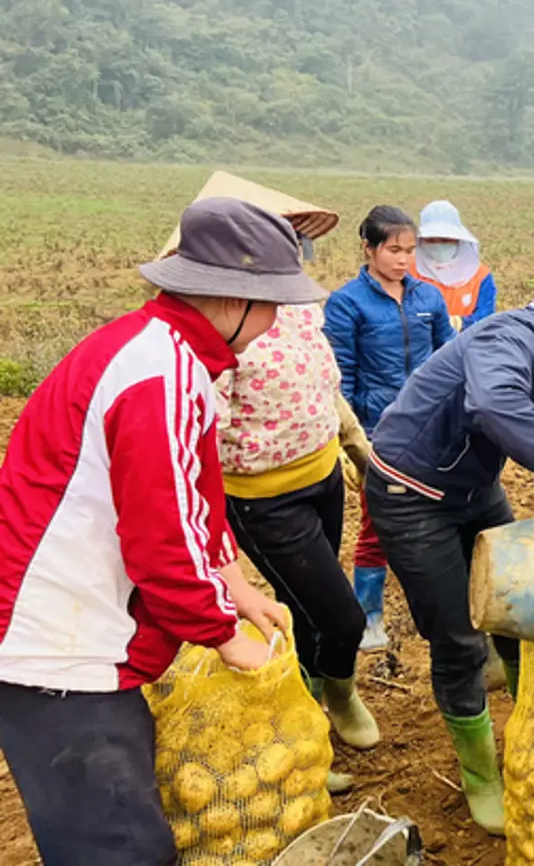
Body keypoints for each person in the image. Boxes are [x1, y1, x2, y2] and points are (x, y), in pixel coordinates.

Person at [0, 198, 315, 865]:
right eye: (272, 305)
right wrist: (226, 636)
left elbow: (194, 496)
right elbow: (163, 541)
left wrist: (234, 586)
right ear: (232, 300)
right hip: (56, 648)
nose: (276, 322)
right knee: (118, 847)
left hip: (79, 627)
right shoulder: (157, 375)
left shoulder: (169, 358)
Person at [363, 261, 534, 835]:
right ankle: (481, 777)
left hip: (474, 486)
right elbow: (494, 403)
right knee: (457, 636)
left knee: (521, 608)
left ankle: (531, 728)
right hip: (410, 489)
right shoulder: (514, 335)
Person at [199, 184, 380, 784]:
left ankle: (315, 711)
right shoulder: (218, 325)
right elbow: (199, 432)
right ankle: (322, 706)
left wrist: (356, 449)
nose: (294, 249)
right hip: (263, 500)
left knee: (307, 610)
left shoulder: (300, 305)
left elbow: (326, 385)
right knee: (341, 617)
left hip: (320, 475)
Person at [324, 206, 454, 650]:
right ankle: (369, 614)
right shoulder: (347, 303)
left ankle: (437, 607)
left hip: (430, 428)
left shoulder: (428, 299)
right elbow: (342, 375)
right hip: (377, 432)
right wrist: (353, 439)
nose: (403, 260)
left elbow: (449, 359)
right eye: (394, 250)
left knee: (440, 516)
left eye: (410, 251)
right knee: (376, 524)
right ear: (369, 248)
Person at [411, 199, 497, 332]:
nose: (438, 245)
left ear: (458, 241)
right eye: (432, 240)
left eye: (445, 240)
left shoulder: (480, 276)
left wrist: (460, 323)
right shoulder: (408, 272)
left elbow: (486, 317)